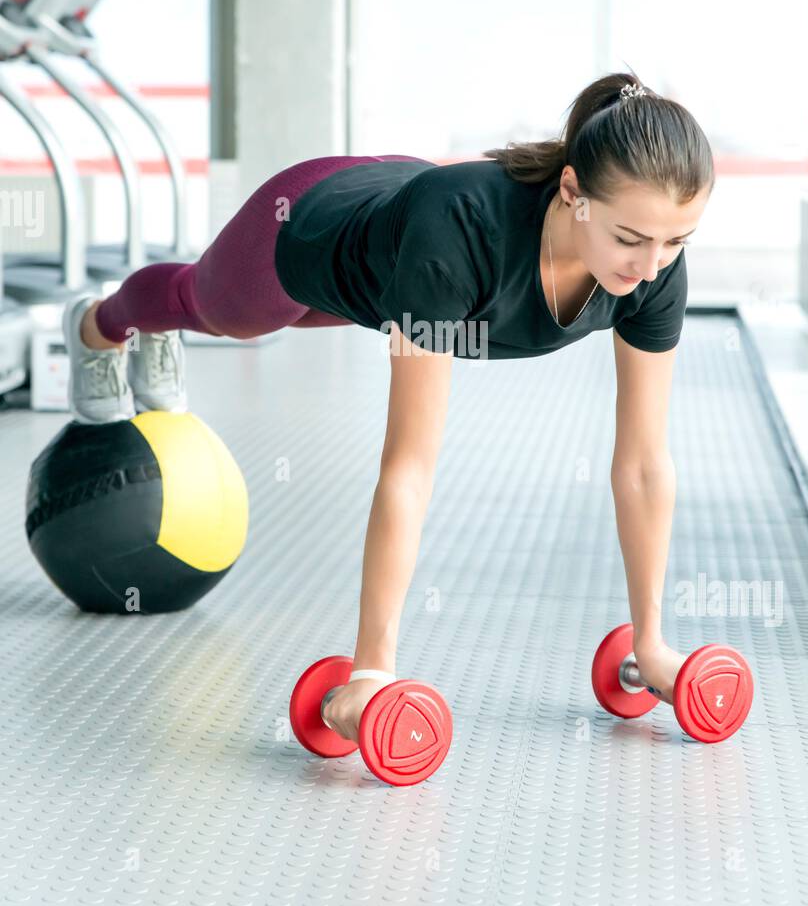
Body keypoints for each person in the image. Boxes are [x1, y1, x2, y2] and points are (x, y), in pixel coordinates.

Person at [62, 71, 713, 742]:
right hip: (311, 226)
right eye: (630, 239)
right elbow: (408, 465)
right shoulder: (459, 235)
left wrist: (651, 641)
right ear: (572, 192)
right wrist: (371, 670)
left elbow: (641, 463)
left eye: (675, 242)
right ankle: (101, 325)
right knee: (220, 310)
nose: (650, 266)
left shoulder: (653, 272)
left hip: (390, 262)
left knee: (341, 304)